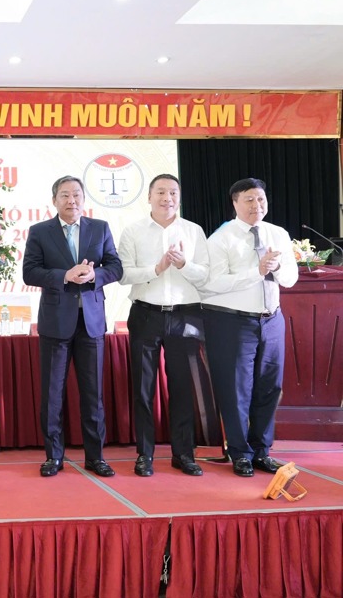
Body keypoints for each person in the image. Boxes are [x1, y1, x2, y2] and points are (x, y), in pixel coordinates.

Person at [21, 175, 123, 478]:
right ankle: (54, 457)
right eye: (65, 195)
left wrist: (94, 277)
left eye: (76, 195)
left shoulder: (100, 228)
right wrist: (65, 275)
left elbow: (115, 267)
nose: (71, 201)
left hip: (91, 323)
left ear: (83, 199)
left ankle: (96, 457)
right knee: (52, 394)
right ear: (54, 200)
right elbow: (30, 272)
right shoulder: (40, 232)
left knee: (93, 394)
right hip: (56, 323)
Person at [201, 178, 297, 477]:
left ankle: (261, 450)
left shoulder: (278, 234)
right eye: (249, 200)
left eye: (260, 199)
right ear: (235, 203)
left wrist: (277, 267)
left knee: (270, 387)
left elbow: (291, 278)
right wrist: (255, 271)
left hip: (271, 319)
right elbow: (211, 283)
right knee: (236, 389)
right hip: (233, 321)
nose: (257, 205)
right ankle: (239, 452)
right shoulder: (221, 238)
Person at [118, 174, 208, 477]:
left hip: (185, 315)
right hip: (146, 314)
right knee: (143, 388)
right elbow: (123, 274)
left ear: (179, 198)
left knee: (183, 388)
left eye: (172, 192)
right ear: (149, 197)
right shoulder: (133, 232)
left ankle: (183, 454)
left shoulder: (194, 231)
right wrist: (157, 268)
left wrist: (183, 264)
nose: (167, 198)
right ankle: (145, 455)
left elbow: (206, 275)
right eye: (160, 192)